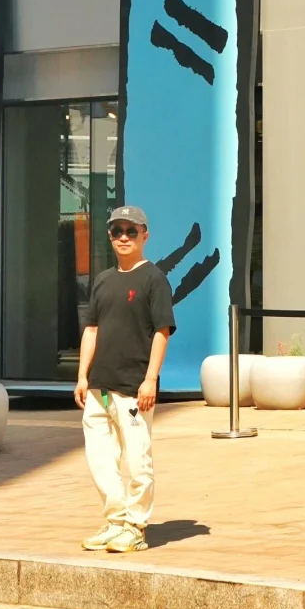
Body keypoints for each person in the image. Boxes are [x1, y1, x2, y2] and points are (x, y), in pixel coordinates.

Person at [73, 205, 175, 554]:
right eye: (117, 231)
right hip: (99, 387)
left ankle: (135, 526)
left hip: (134, 387)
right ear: (110, 235)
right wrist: (82, 376)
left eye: (132, 231)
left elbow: (162, 331)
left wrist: (150, 380)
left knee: (138, 459)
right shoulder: (103, 280)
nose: (124, 237)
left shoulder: (154, 279)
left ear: (145, 235)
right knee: (100, 458)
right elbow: (91, 329)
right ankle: (115, 521)